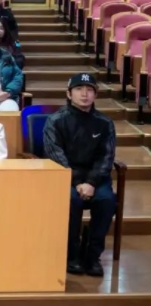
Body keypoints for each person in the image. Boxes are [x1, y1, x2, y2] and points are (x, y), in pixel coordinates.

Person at [44, 73, 116, 277]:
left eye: (89, 90)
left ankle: (92, 256)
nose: (84, 94)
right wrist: (76, 182)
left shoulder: (105, 123)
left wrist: (91, 182)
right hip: (66, 177)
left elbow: (106, 157)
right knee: (71, 200)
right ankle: (72, 255)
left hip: (95, 180)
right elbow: (56, 155)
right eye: (79, 89)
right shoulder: (55, 121)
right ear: (69, 93)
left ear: (95, 95)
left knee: (106, 200)